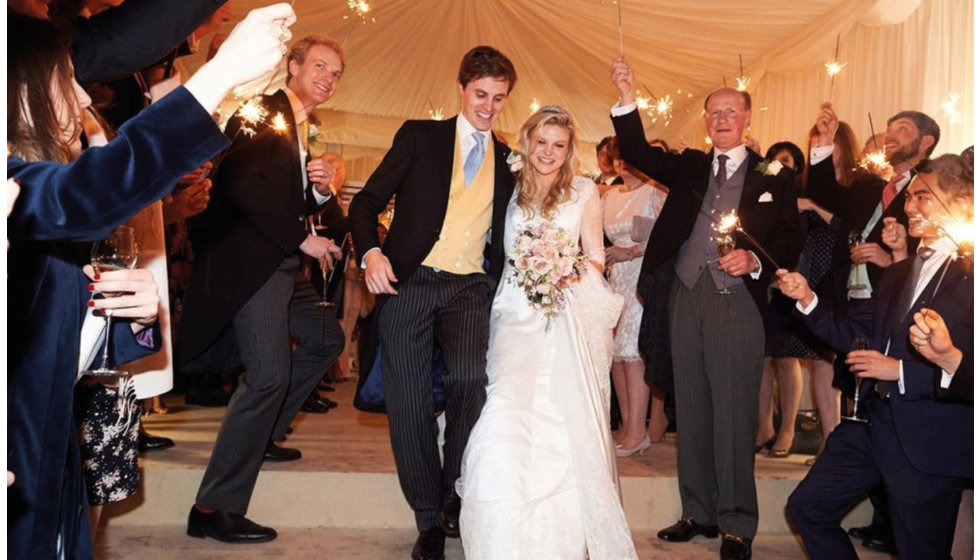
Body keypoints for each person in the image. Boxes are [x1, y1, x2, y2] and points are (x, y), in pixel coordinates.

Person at [6, 6, 295, 558]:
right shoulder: (13, 187)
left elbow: (48, 333)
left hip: (51, 454)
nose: (87, 98)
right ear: (20, 90)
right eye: (67, 79)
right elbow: (86, 194)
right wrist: (221, 72)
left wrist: (130, 320)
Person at [610, 56, 802, 560]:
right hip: (683, 294)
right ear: (706, 121)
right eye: (713, 112)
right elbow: (633, 149)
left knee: (733, 412)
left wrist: (755, 262)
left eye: (731, 112)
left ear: (747, 120)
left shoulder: (774, 176)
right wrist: (627, 94)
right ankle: (698, 511)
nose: (721, 120)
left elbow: (789, 238)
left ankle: (738, 523)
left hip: (737, 303)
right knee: (690, 408)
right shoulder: (692, 165)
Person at [348, 45, 517, 560]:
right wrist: (372, 253)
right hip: (409, 281)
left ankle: (451, 492)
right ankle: (428, 518)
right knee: (409, 401)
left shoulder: (510, 159)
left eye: (499, 98)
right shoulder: (420, 137)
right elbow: (365, 202)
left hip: (469, 286)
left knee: (469, 378)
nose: (488, 107)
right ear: (462, 89)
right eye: (481, 94)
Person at [177, 35, 348, 544]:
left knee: (327, 339)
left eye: (336, 73)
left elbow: (285, 196)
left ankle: (264, 432)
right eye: (319, 65)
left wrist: (317, 192)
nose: (328, 77)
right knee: (269, 376)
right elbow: (240, 183)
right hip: (252, 265)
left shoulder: (302, 128)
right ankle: (212, 508)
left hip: (280, 265)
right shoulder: (262, 108)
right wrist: (302, 238)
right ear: (293, 66)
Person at [457, 105, 636, 559]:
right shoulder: (507, 182)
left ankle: (555, 536)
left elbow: (596, 255)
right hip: (511, 312)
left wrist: (566, 270)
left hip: (561, 315)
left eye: (559, 145)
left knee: (557, 413)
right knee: (505, 406)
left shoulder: (582, 191)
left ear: (569, 149)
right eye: (542, 142)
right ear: (528, 140)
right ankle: (500, 529)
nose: (549, 153)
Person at [780, 153, 973, 559]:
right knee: (808, 508)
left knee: (919, 551)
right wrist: (809, 300)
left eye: (924, 197)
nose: (910, 207)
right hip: (870, 425)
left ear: (963, 204)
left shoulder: (970, 274)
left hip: (930, 436)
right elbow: (861, 339)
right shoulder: (899, 272)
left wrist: (900, 371)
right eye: (909, 198)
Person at [601, 140, 668, 455]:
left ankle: (638, 430)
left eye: (630, 161)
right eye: (619, 161)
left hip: (642, 272)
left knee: (633, 351)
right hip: (615, 278)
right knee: (615, 353)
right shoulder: (610, 196)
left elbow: (666, 236)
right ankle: (627, 427)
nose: (624, 166)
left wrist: (628, 251)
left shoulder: (655, 190)